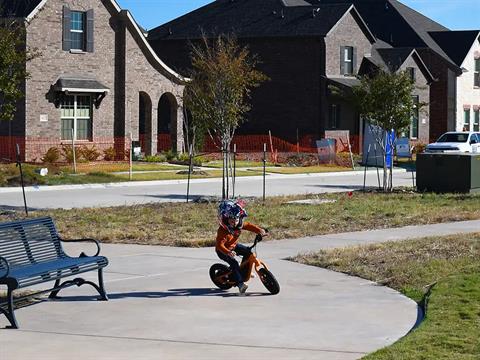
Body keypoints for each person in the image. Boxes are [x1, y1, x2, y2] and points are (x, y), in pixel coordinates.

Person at [215, 200, 267, 294]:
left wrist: (259, 230)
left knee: (248, 252)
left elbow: (249, 226)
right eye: (231, 220)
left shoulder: (239, 225)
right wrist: (228, 252)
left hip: (233, 246)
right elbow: (219, 245)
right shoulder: (222, 231)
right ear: (225, 218)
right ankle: (240, 284)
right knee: (234, 263)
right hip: (223, 251)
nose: (234, 222)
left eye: (236, 219)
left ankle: (244, 271)